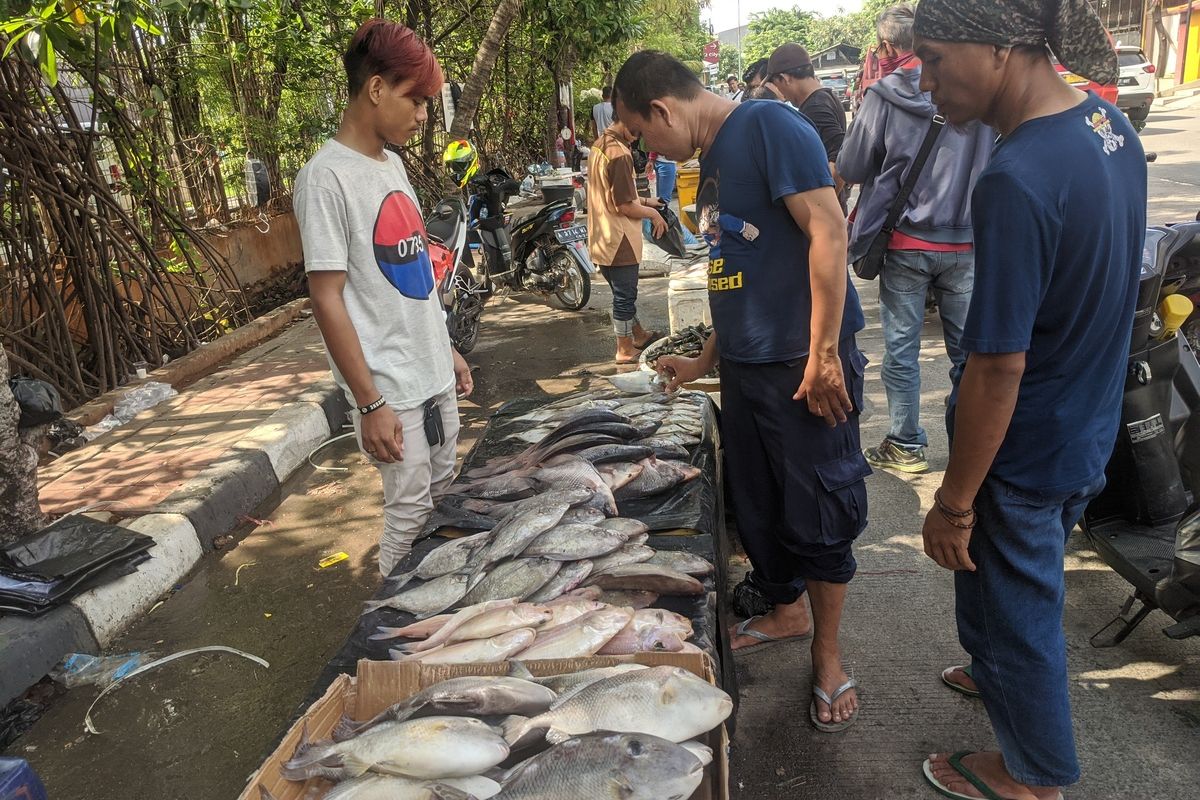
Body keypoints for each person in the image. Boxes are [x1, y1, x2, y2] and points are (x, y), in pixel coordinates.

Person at [912, 1, 1144, 797]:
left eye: (937, 58)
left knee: (1018, 607)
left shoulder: (1014, 177)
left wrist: (954, 498)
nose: (924, 77)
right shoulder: (1110, 132)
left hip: (1028, 444)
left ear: (1003, 48)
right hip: (1086, 423)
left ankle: (1033, 773)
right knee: (996, 590)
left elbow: (997, 365)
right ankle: (996, 674)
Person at [614, 51, 871, 732]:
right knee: (760, 507)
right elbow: (740, 272)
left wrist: (822, 357)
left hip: (802, 367)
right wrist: (702, 361)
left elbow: (829, 230)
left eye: (643, 134)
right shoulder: (715, 164)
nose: (648, 149)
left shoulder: (770, 128)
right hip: (751, 371)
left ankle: (828, 655)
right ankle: (785, 609)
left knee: (821, 510)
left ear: (661, 111)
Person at [295, 19, 473, 576]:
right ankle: (389, 638)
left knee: (444, 498)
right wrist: (370, 403)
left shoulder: (391, 164)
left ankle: (435, 623)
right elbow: (327, 298)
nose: (423, 115)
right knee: (410, 512)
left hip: (431, 374)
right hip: (390, 390)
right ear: (376, 89)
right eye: (416, 100)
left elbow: (415, 276)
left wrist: (445, 348)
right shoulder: (325, 179)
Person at [837, 4, 994, 475]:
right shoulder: (980, 90)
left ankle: (906, 443)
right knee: (969, 355)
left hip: (904, 241)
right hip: (967, 242)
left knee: (901, 350)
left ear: (887, 48)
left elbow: (851, 166)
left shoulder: (883, 95)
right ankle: (973, 448)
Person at [587, 112, 667, 364]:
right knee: (624, 297)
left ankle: (638, 334)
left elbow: (616, 193)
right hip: (619, 237)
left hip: (602, 234)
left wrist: (645, 200)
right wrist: (653, 214)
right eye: (638, 128)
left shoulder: (601, 145)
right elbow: (624, 205)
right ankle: (624, 349)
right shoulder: (620, 154)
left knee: (621, 291)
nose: (638, 134)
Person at [766, 43, 848, 210]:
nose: (783, 95)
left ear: (786, 78)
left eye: (777, 84)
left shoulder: (815, 107)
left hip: (825, 216)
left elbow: (839, 155)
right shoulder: (826, 96)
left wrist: (824, 209)